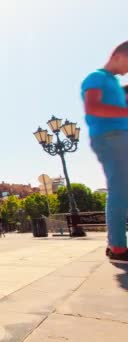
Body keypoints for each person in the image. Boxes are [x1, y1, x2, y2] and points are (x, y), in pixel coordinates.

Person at [82, 41, 128, 264]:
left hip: (119, 137)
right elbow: (92, 107)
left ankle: (117, 244)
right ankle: (118, 247)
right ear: (120, 55)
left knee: (122, 188)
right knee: (119, 188)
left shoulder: (114, 83)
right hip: (110, 138)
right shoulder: (96, 77)